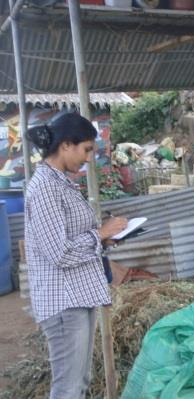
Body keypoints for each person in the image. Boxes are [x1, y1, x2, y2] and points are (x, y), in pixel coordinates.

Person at [24, 112, 128, 399]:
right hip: (63, 303)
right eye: (86, 150)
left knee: (78, 383)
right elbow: (59, 252)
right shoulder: (45, 188)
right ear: (66, 145)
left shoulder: (60, 183)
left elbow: (70, 240)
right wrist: (101, 233)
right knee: (68, 388)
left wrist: (105, 240)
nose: (88, 158)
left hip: (77, 297)